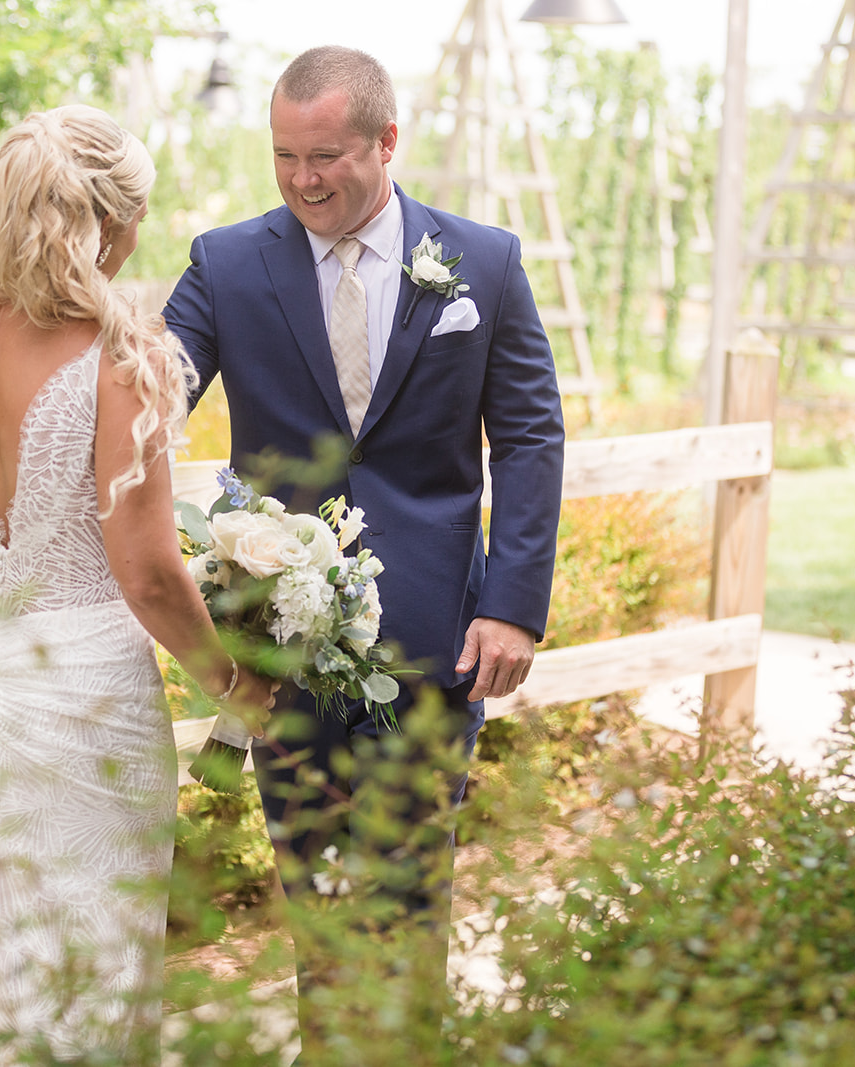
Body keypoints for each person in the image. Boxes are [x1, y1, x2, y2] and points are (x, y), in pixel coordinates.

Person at [164, 45, 566, 1048]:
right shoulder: (225, 262)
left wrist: (512, 600)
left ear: (387, 141)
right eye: (285, 156)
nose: (305, 179)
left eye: (329, 155)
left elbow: (528, 434)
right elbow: (147, 388)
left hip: (434, 646)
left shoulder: (484, 260)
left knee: (409, 896)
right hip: (284, 649)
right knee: (317, 904)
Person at [0, 104, 275, 1065]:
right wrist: (239, 687)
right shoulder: (124, 361)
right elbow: (146, 574)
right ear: (118, 221)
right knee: (88, 941)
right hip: (86, 692)